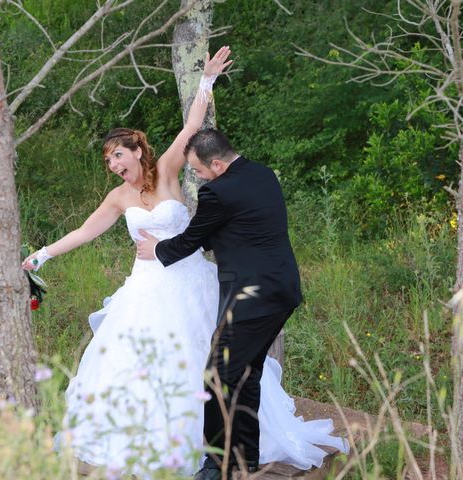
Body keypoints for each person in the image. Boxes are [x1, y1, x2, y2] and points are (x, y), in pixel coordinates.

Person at [23, 47, 347, 478]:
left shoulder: (168, 170)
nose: (113, 165)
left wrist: (207, 80)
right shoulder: (118, 198)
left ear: (137, 150)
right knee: (139, 365)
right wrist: (42, 254)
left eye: (117, 155)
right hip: (146, 289)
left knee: (214, 364)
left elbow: (193, 125)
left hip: (189, 280)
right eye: (107, 161)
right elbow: (85, 232)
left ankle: (225, 450)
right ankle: (152, 443)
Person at [135, 128, 305, 479]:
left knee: (217, 375)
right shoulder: (262, 174)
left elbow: (192, 241)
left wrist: (157, 250)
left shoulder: (218, 191)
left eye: (197, 170)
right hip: (281, 289)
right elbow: (234, 227)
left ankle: (217, 464)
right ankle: (244, 460)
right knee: (245, 374)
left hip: (252, 296)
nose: (195, 176)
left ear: (216, 164)